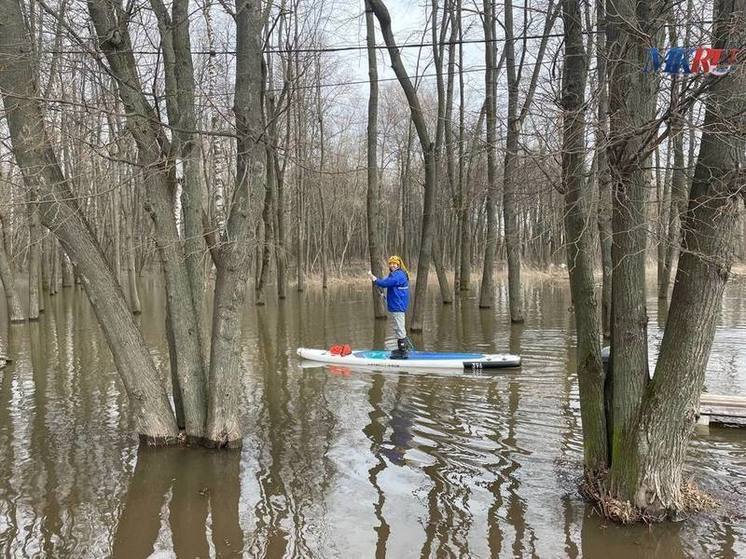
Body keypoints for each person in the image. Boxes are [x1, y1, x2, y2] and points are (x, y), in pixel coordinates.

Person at [368, 256, 410, 359]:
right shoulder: (394, 274)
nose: (392, 265)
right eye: (390, 263)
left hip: (398, 306)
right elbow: (386, 282)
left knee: (399, 328)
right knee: (397, 327)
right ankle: (401, 349)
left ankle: (403, 352)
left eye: (394, 263)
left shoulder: (399, 275)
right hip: (396, 305)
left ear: (399, 264)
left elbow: (386, 283)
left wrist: (374, 279)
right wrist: (378, 281)